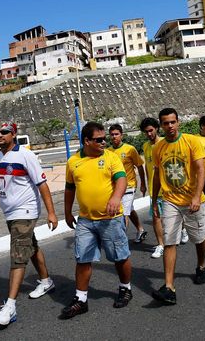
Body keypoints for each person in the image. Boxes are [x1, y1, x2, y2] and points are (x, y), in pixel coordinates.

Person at [0, 121, 58, 327]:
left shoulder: (26, 155)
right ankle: (46, 281)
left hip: (25, 211)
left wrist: (51, 213)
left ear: (13, 134)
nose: (0, 135)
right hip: (9, 212)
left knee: (17, 255)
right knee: (30, 247)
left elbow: (42, 185)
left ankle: (10, 306)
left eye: (5, 132)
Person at [61, 121, 131, 319]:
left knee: (119, 256)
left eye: (105, 139)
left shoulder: (111, 157)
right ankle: (81, 300)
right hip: (85, 221)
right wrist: (67, 212)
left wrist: (116, 197)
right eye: (99, 140)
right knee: (82, 259)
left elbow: (121, 179)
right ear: (86, 141)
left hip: (111, 219)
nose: (104, 142)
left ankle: (125, 288)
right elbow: (69, 189)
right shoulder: (73, 162)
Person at [151, 108, 205, 305]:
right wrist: (154, 202)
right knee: (169, 241)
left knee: (199, 239)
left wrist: (196, 196)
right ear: (161, 125)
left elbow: (201, 170)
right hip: (170, 201)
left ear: (178, 122)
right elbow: (157, 176)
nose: (170, 126)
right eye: (165, 123)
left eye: (172, 122)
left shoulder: (192, 141)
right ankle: (169, 287)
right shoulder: (158, 148)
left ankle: (201, 266)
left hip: (193, 200)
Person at [107, 124, 147, 243]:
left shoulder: (130, 149)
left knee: (123, 212)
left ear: (122, 135)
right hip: (115, 187)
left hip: (129, 185)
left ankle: (121, 240)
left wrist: (143, 184)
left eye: (116, 134)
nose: (114, 137)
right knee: (129, 210)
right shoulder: (108, 151)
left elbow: (139, 166)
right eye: (112, 134)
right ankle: (140, 229)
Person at [140, 118, 165, 259]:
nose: (149, 133)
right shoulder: (145, 146)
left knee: (174, 217)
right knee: (156, 217)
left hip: (168, 188)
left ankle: (183, 229)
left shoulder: (164, 143)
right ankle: (161, 245)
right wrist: (144, 184)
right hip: (154, 190)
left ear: (157, 128)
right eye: (146, 131)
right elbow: (146, 166)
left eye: (151, 130)